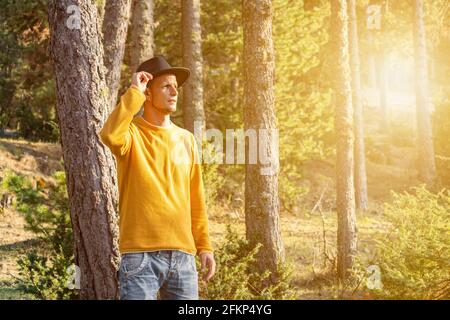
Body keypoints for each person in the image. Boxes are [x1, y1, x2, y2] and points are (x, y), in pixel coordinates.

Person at [100, 56, 215, 300]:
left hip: (183, 257)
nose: (175, 91)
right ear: (148, 94)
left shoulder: (186, 139)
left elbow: (196, 197)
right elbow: (109, 135)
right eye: (166, 86)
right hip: (140, 257)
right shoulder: (131, 134)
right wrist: (134, 92)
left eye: (176, 87)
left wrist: (204, 246)